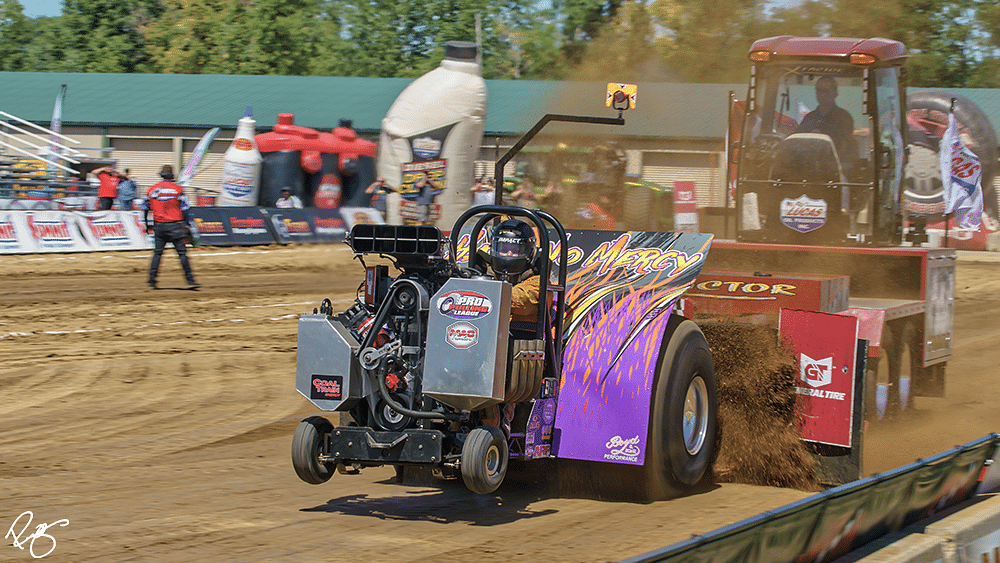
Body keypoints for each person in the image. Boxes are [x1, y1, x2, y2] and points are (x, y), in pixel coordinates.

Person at [142, 165, 199, 290]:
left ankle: (152, 281)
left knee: (157, 254)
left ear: (161, 176)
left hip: (159, 225)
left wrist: (147, 224)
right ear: (172, 176)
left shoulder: (151, 190)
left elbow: (145, 208)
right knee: (182, 254)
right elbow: (185, 208)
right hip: (175, 225)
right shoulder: (178, 189)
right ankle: (190, 281)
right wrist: (188, 224)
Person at [487, 219, 540, 327]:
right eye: (504, 249)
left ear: (529, 253)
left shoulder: (537, 282)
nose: (508, 254)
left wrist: (483, 294)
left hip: (521, 339)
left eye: (516, 250)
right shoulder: (482, 274)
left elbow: (522, 301)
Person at [795, 76, 857, 162]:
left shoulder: (844, 117)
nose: (822, 94)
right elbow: (797, 140)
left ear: (835, 93)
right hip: (810, 165)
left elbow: (844, 144)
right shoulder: (809, 118)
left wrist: (823, 137)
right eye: (819, 90)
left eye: (826, 91)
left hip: (836, 165)